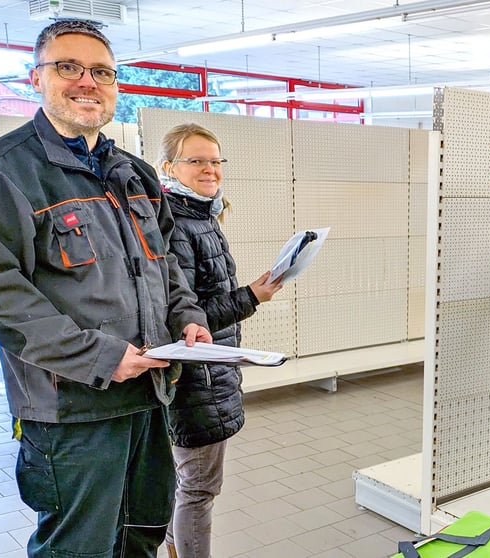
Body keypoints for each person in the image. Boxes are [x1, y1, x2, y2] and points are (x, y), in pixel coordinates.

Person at [0, 20, 212, 558]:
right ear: (36, 78)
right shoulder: (1, 172)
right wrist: (97, 355)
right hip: (71, 408)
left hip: (149, 396)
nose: (86, 82)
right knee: (78, 548)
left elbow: (167, 268)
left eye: (101, 72)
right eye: (67, 67)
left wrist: (187, 315)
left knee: (144, 534)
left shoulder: (134, 174)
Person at [158, 123, 283, 558]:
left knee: (191, 483)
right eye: (196, 160)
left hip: (213, 373)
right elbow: (185, 322)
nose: (210, 169)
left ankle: (173, 550)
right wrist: (251, 296)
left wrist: (252, 293)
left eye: (215, 161)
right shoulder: (177, 225)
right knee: (198, 488)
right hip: (197, 379)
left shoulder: (201, 216)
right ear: (169, 166)